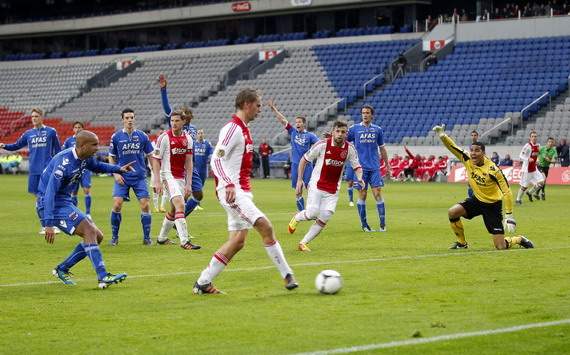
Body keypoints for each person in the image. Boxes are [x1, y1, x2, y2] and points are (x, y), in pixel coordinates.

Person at [193, 88, 297, 294]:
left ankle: (203, 282)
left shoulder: (244, 129)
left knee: (238, 241)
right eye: (258, 105)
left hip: (240, 191)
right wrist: (229, 183)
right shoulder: (232, 129)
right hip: (231, 192)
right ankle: (287, 275)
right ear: (247, 104)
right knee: (265, 227)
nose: (260, 110)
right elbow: (216, 159)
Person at [40, 130, 133, 288]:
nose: (97, 148)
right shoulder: (63, 163)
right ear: (82, 146)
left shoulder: (85, 158)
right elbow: (49, 193)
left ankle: (62, 268)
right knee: (89, 230)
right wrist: (48, 223)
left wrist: (118, 169)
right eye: (94, 145)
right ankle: (103, 276)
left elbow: (97, 166)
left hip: (65, 202)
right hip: (51, 204)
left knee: (97, 236)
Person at [432, 124, 533, 250]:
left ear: (483, 152)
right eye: (472, 150)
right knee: (452, 212)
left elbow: (506, 191)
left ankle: (518, 239)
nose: (473, 154)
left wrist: (509, 215)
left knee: (500, 247)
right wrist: (442, 135)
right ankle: (462, 243)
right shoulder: (467, 158)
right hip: (477, 200)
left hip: (492, 205)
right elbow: (453, 147)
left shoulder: (493, 170)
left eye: (477, 151)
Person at [287, 120, 363, 251]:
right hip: (317, 184)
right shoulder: (322, 145)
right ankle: (297, 217)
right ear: (333, 132)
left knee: (325, 216)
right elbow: (304, 160)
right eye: (337, 131)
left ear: (346, 134)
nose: (340, 134)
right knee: (312, 213)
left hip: (333, 189)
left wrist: (360, 179)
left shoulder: (350, 149)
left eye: (343, 132)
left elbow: (357, 166)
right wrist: (299, 180)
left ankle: (303, 243)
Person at [151, 111, 201, 250]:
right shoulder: (164, 137)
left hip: (180, 177)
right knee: (180, 205)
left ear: (183, 122)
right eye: (172, 121)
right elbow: (155, 159)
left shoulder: (188, 139)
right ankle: (185, 241)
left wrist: (188, 183)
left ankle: (161, 238)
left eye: (177, 121)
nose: (173, 123)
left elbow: (189, 163)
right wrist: (157, 180)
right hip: (167, 175)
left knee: (174, 209)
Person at [108, 109, 155, 246]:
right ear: (122, 119)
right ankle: (114, 237)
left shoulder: (142, 136)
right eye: (127, 117)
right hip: (122, 176)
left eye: (132, 117)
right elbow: (111, 156)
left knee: (145, 205)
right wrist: (115, 173)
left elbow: (151, 155)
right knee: (117, 204)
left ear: (134, 119)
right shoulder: (116, 137)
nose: (130, 120)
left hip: (139, 176)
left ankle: (147, 238)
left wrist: (155, 174)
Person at [159, 74, 203, 217]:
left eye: (186, 114)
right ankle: (177, 220)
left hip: (190, 166)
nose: (183, 115)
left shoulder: (193, 129)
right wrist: (164, 90)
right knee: (179, 201)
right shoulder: (176, 125)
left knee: (198, 195)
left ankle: (178, 217)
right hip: (176, 167)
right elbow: (167, 109)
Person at [267, 99, 318, 211]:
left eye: (299, 122)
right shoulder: (293, 132)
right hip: (295, 165)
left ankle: (312, 210)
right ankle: (301, 212)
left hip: (307, 165)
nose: (297, 124)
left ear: (304, 124)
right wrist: (274, 109)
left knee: (310, 188)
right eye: (296, 122)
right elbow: (282, 120)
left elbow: (320, 144)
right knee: (298, 190)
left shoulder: (310, 136)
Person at [347, 105, 390, 232]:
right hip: (360, 169)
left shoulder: (378, 130)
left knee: (377, 193)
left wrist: (387, 164)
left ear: (372, 115)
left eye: (367, 113)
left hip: (375, 168)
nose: (365, 115)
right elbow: (343, 140)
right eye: (363, 113)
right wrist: (331, 137)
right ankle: (364, 225)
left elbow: (382, 148)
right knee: (363, 195)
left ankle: (382, 224)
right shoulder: (354, 129)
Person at [0, 108, 61, 197]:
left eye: (36, 116)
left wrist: (58, 166)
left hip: (47, 169)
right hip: (33, 169)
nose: (34, 118)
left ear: (42, 117)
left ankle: (49, 210)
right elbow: (16, 145)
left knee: (48, 194)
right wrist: (4, 146)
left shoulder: (51, 131)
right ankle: (42, 210)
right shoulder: (28, 134)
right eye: (32, 116)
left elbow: (58, 151)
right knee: (37, 196)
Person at [62, 121, 93, 217]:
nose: (77, 129)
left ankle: (88, 213)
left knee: (86, 189)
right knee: (73, 192)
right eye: (75, 127)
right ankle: (74, 212)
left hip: (85, 169)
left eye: (79, 127)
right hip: (73, 170)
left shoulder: (88, 140)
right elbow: (64, 154)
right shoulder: (68, 141)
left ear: (83, 129)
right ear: (73, 129)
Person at [516, 131, 545, 204]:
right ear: (530, 138)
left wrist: (537, 160)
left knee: (541, 182)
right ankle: (518, 200)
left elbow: (536, 155)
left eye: (535, 136)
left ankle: (530, 192)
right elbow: (521, 155)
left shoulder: (538, 145)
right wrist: (528, 159)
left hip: (534, 169)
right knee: (524, 186)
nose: (534, 138)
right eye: (532, 136)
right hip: (527, 170)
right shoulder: (527, 146)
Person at [149, 129, 167, 212]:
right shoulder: (153, 144)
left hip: (164, 169)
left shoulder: (166, 142)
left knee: (165, 187)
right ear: (157, 134)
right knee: (155, 188)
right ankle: (156, 207)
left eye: (163, 133)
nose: (162, 134)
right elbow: (150, 156)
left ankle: (162, 206)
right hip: (155, 169)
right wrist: (151, 167)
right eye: (160, 133)